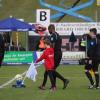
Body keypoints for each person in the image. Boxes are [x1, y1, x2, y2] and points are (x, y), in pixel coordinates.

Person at [39, 24, 69, 90]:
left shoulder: (53, 35)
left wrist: (49, 53)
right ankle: (52, 85)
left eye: (49, 30)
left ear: (51, 29)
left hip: (56, 54)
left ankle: (63, 80)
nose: (49, 31)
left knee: (50, 70)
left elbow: (53, 45)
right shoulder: (57, 34)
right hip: (58, 53)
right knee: (51, 70)